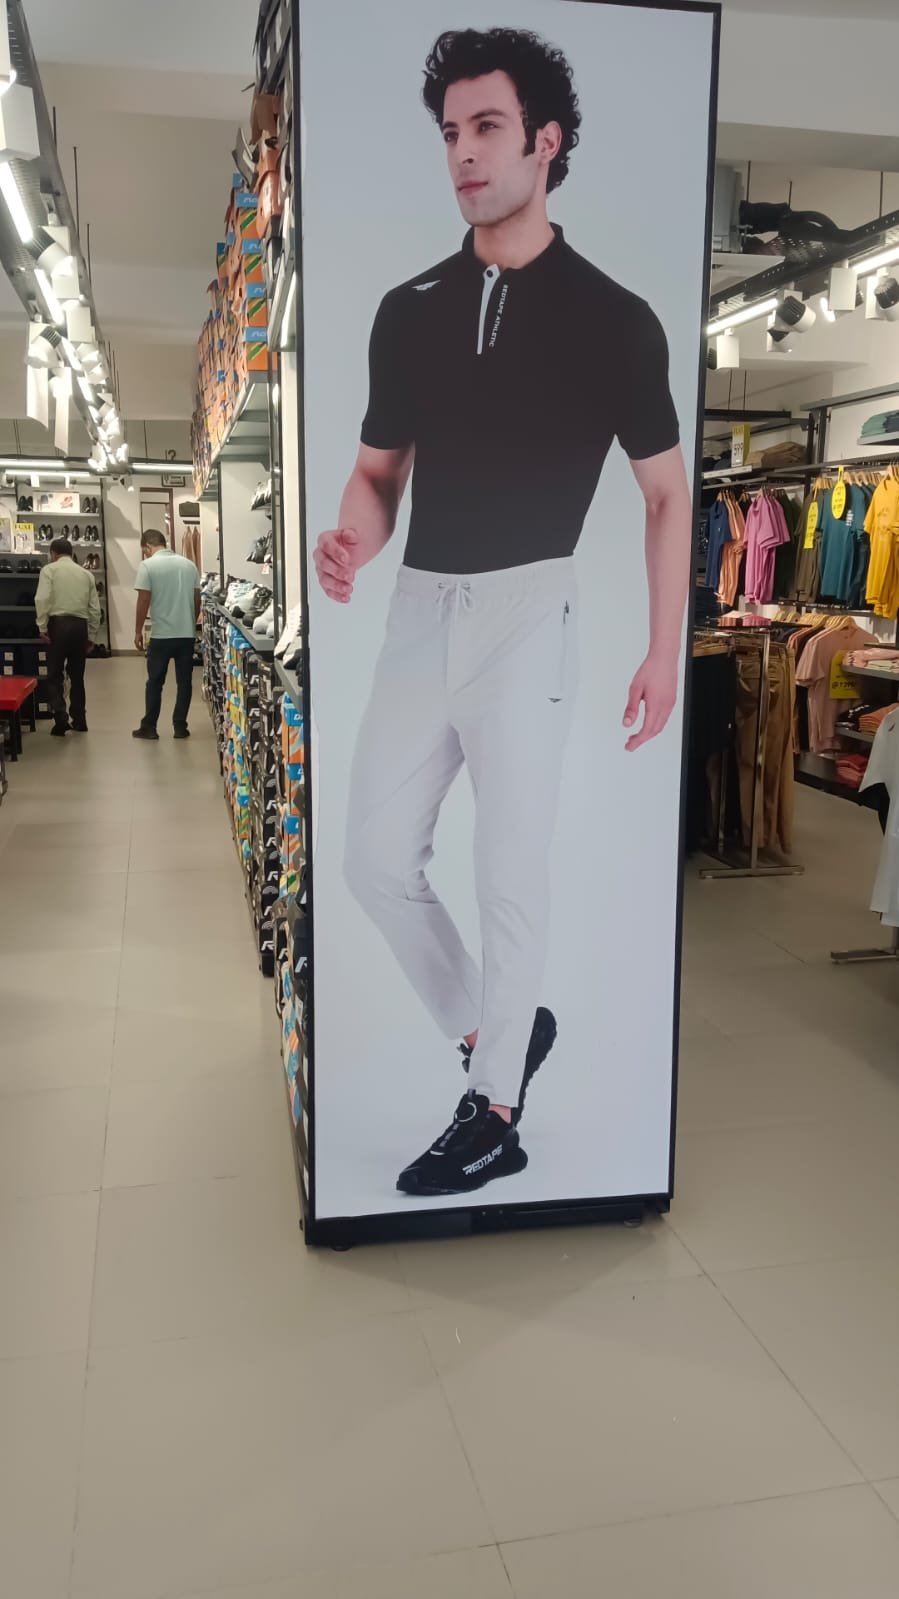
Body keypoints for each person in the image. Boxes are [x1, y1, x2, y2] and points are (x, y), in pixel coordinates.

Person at [313, 28, 694, 1198]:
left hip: (530, 610)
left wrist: (664, 650)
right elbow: (378, 474)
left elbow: (665, 493)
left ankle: (492, 1111)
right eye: (449, 133)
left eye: (486, 127)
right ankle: (496, 1032)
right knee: (372, 857)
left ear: (544, 141)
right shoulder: (408, 308)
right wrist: (352, 536)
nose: (463, 154)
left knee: (509, 872)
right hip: (420, 608)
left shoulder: (613, 318)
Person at [132, 529, 201, 741]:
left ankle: (149, 727)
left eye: (144, 550)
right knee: (184, 682)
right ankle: (180, 726)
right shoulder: (189, 565)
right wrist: (190, 622)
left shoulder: (147, 566)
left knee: (155, 682)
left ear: (147, 546)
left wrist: (138, 630)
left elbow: (144, 600)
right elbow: (197, 599)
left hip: (161, 635)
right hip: (186, 634)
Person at [34, 536, 102, 736]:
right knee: (77, 675)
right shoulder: (86, 574)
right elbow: (95, 608)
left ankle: (61, 719)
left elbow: (42, 599)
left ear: (53, 554)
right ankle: (80, 720)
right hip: (79, 626)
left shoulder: (49, 570)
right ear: (71, 554)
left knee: (54, 674)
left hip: (58, 625)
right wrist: (91, 635)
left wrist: (42, 627)